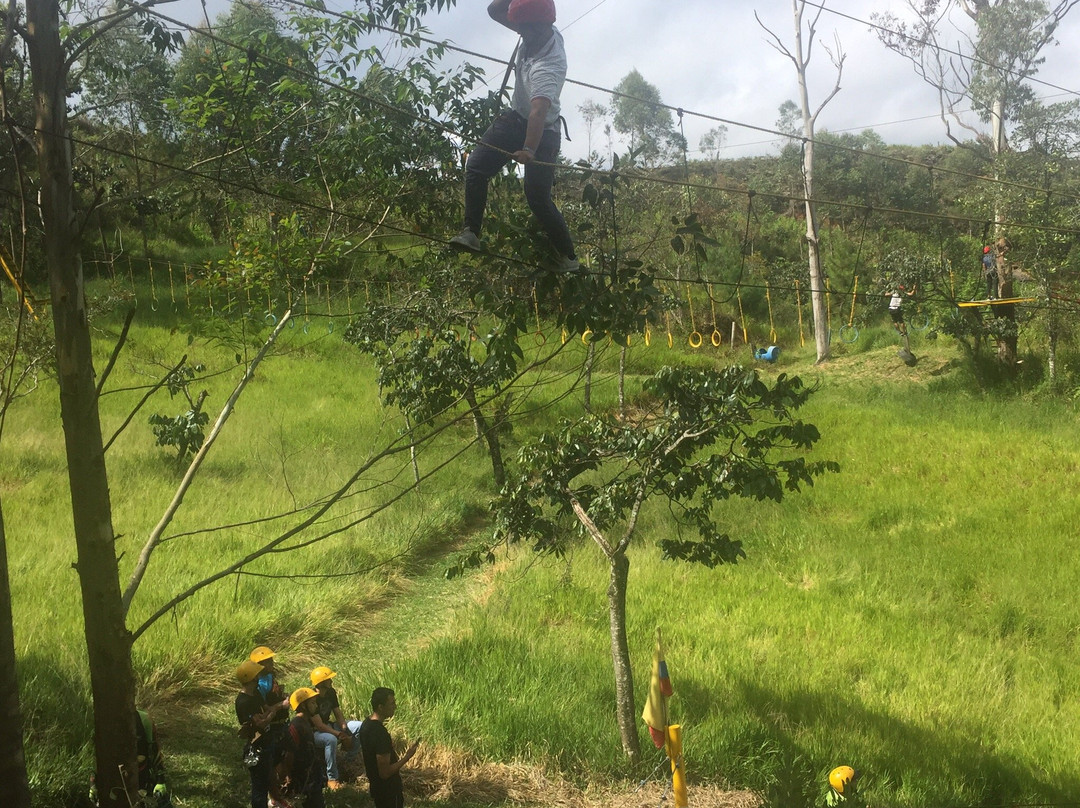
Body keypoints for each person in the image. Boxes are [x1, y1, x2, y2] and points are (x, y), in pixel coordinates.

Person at [449, 0, 579, 273]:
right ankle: (471, 233)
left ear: (542, 27)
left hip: (544, 129)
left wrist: (529, 149)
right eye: (519, 28)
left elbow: (539, 111)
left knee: (537, 197)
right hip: (517, 116)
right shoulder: (535, 27)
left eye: (524, 29)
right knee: (476, 166)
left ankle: (568, 258)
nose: (520, 34)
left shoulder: (548, 65)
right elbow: (495, 11)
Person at [358, 687, 421, 808]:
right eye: (392, 703)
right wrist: (408, 756)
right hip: (388, 791)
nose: (395, 706)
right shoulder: (380, 733)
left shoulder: (366, 724)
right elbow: (385, 773)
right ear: (381, 707)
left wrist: (389, 748)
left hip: (376, 787)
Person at [309, 665, 363, 790]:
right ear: (321, 683)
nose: (331, 681)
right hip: (315, 732)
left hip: (329, 725)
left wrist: (345, 730)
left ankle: (347, 762)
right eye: (329, 679)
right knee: (330, 740)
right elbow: (319, 725)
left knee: (359, 726)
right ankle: (332, 778)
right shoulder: (312, 698)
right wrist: (338, 734)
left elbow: (338, 713)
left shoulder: (331, 692)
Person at [235, 659, 281, 808]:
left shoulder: (255, 694)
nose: (258, 677)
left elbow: (266, 708)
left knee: (268, 778)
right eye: (256, 675)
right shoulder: (243, 702)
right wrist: (271, 715)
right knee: (259, 786)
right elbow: (260, 723)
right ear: (251, 678)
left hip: (267, 741)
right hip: (257, 746)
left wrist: (271, 711)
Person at [272, 687, 327, 808]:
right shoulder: (296, 726)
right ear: (303, 706)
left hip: (312, 774)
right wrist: (288, 776)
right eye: (312, 703)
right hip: (303, 778)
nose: (316, 705)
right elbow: (289, 755)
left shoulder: (306, 722)